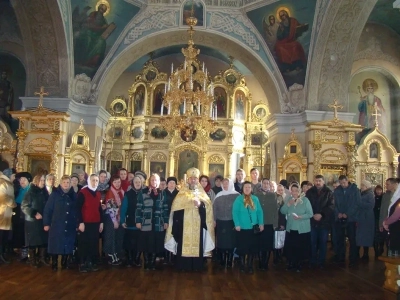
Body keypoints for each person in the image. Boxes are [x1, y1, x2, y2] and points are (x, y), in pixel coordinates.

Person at [165, 168, 215, 271]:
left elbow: (208, 211)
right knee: (182, 246)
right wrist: (177, 225)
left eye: (195, 179)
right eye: (191, 178)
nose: (193, 180)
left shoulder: (202, 195)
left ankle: (197, 266)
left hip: (198, 227)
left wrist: (200, 205)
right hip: (183, 227)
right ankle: (182, 266)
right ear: (188, 180)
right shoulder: (181, 194)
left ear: (198, 180)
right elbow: (176, 209)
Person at [43, 175, 77, 271]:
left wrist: (77, 223)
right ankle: (54, 262)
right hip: (57, 224)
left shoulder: (74, 195)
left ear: (70, 184)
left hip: (70, 224)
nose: (66, 184)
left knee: (68, 244)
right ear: (61, 183)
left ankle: (65, 262)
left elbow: (77, 210)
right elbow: (48, 210)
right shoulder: (54, 195)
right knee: (55, 244)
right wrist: (46, 223)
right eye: (64, 182)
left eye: (68, 183)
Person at [136, 173, 169, 270]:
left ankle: (152, 262)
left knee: (156, 243)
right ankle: (146, 263)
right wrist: (138, 221)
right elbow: (138, 208)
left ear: (159, 182)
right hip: (146, 221)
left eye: (156, 180)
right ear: (149, 181)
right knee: (146, 243)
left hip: (158, 222)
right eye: (152, 180)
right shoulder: (143, 192)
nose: (154, 182)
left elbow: (165, 208)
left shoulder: (162, 193)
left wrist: (166, 221)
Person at [233, 181, 264, 274]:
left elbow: (259, 212)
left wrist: (261, 223)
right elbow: (235, 212)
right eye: (245, 187)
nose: (247, 189)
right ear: (243, 189)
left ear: (251, 189)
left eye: (249, 187)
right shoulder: (238, 199)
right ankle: (242, 265)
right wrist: (237, 224)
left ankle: (250, 265)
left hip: (253, 228)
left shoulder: (255, 199)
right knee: (242, 248)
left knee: (252, 248)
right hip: (242, 228)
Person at [281, 183, 313, 272]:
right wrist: (288, 204)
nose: (294, 193)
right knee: (291, 247)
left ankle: (298, 264)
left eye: (296, 191)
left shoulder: (305, 200)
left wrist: (300, 217)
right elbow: (282, 211)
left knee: (300, 248)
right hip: (291, 228)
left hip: (302, 229)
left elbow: (310, 214)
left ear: (300, 191)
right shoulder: (288, 199)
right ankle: (291, 263)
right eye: (293, 191)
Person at [305, 175, 334, 268]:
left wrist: (321, 214)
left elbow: (331, 206)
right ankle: (312, 260)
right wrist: (313, 214)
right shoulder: (309, 192)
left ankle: (321, 261)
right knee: (312, 242)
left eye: (319, 181)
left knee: (322, 242)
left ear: (323, 182)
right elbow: (307, 205)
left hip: (324, 222)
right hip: (312, 221)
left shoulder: (329, 192)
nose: (318, 182)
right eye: (316, 181)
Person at [77, 174, 104, 272]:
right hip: (85, 223)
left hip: (95, 223)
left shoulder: (98, 193)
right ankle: (82, 263)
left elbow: (99, 208)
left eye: (97, 180)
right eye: (93, 180)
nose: (95, 182)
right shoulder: (83, 193)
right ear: (89, 181)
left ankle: (90, 262)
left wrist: (101, 222)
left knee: (93, 244)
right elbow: (78, 208)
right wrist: (80, 222)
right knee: (84, 243)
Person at [21, 174, 49, 267]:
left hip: (43, 220)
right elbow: (24, 206)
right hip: (32, 221)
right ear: (36, 181)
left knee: (43, 240)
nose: (42, 182)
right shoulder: (30, 192)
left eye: (44, 180)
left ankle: (42, 258)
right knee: (33, 241)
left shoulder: (45, 192)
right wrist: (34, 213)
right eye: (41, 180)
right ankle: (32, 260)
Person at [333, 175, 360, 266]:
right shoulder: (337, 191)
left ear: (347, 181)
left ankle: (353, 258)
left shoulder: (355, 190)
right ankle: (340, 257)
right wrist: (338, 213)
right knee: (340, 238)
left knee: (352, 239)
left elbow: (356, 204)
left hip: (351, 219)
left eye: (344, 183)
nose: (342, 185)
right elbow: (334, 204)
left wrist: (347, 214)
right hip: (340, 218)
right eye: (340, 183)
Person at [213, 178, 239, 268]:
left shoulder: (237, 195)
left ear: (231, 184)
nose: (225, 185)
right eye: (223, 183)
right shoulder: (218, 195)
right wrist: (214, 220)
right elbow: (214, 209)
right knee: (221, 242)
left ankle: (229, 261)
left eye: (227, 183)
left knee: (231, 242)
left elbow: (239, 210)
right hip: (221, 222)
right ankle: (223, 260)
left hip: (232, 222)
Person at [120, 175, 143, 267]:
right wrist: (122, 220)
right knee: (129, 242)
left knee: (139, 242)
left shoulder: (144, 193)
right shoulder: (128, 194)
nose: (137, 184)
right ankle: (129, 259)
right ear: (133, 184)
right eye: (136, 182)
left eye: (139, 182)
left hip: (141, 222)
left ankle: (137, 259)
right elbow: (124, 208)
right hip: (130, 221)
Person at [255, 178, 278, 270]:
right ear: (261, 184)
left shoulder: (273, 195)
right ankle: (260, 263)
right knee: (260, 244)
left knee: (268, 245)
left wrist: (275, 223)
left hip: (269, 223)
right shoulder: (257, 195)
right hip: (259, 223)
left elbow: (275, 210)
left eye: (267, 183)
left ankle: (266, 263)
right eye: (264, 183)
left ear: (269, 185)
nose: (265, 185)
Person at [102, 175, 125, 265]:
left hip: (119, 217)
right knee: (110, 237)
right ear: (112, 183)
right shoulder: (110, 192)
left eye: (119, 182)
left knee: (117, 237)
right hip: (111, 218)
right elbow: (110, 207)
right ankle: (111, 256)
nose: (117, 184)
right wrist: (114, 220)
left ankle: (117, 254)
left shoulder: (122, 191)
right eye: (115, 182)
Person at [13, 172, 32, 262]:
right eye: (21, 180)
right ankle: (19, 252)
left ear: (28, 180)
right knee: (18, 233)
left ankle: (25, 254)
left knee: (25, 234)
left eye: (24, 179)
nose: (22, 181)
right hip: (17, 214)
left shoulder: (30, 190)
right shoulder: (18, 189)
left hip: (26, 215)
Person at [379, 179, 398, 256]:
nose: (386, 186)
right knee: (387, 242)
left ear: (394, 184)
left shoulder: (397, 196)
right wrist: (381, 223)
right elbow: (383, 210)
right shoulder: (385, 195)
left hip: (394, 223)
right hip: (385, 222)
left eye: (388, 184)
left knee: (393, 243)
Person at [356, 180, 375, 260]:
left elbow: (371, 205)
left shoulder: (370, 194)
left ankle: (365, 254)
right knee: (360, 236)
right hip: (361, 217)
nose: (361, 187)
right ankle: (358, 253)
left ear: (366, 186)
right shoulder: (362, 193)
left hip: (367, 218)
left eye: (362, 186)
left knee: (366, 236)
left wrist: (359, 203)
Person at [0, 172, 16, 264]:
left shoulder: (5, 182)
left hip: (4, 214)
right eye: (13, 175)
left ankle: (2, 254)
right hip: (2, 213)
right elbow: (3, 198)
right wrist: (13, 203)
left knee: (3, 237)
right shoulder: (3, 183)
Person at [383, 183, 400, 255]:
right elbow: (390, 211)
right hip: (394, 227)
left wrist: (386, 222)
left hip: (397, 227)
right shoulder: (396, 199)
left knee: (396, 249)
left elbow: (396, 214)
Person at [274, 183, 286, 264]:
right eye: (279, 190)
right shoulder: (274, 198)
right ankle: (276, 257)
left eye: (282, 190)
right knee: (276, 240)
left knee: (282, 240)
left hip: (283, 222)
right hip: (276, 222)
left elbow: (284, 213)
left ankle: (281, 256)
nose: (280, 191)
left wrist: (283, 224)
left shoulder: (286, 198)